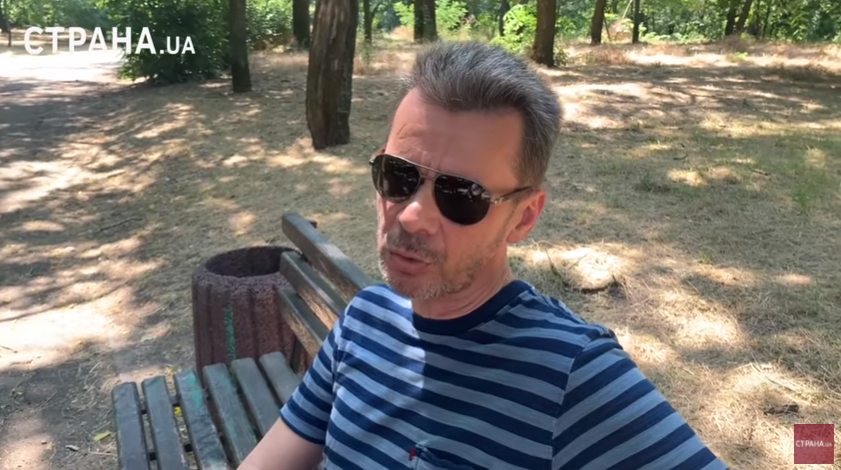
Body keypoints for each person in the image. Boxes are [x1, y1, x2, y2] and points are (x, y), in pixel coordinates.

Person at [239, 42, 728, 470]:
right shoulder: (363, 322)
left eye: (461, 196)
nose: (413, 216)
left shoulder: (570, 374)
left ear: (523, 217)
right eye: (399, 176)